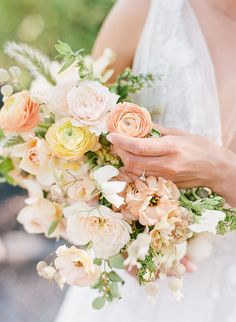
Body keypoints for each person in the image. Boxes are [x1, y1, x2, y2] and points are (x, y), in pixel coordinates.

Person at [55, 1, 236, 321]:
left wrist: (222, 171)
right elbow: (74, 134)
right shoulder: (149, 9)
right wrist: (119, 231)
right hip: (141, 290)